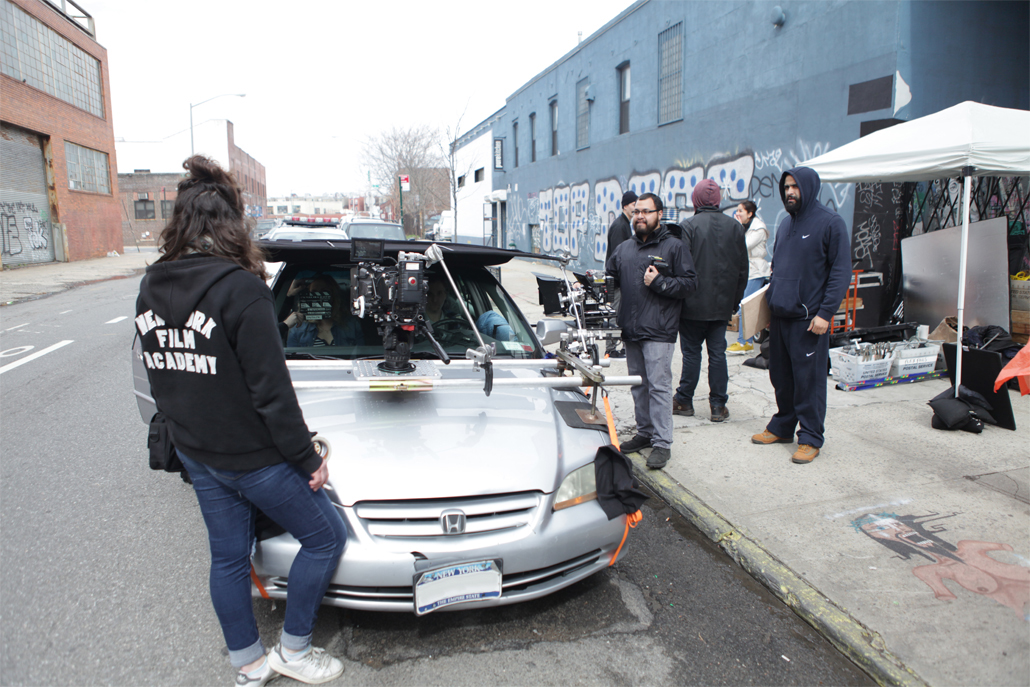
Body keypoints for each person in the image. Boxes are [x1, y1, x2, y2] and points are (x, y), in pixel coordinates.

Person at [135, 156, 347, 686]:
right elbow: (272, 394)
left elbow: (163, 378)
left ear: (179, 223)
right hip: (256, 461)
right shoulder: (243, 290)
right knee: (326, 538)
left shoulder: (150, 286)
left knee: (227, 559)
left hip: (200, 456)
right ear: (232, 225)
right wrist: (308, 460)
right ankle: (293, 651)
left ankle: (248, 666)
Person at [752, 166, 851, 464]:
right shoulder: (784, 225)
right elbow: (777, 270)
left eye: (795, 187)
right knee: (780, 378)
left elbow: (840, 272)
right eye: (786, 188)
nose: (790, 192)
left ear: (808, 187)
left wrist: (825, 313)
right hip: (781, 318)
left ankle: (810, 437)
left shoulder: (830, 223)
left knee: (809, 382)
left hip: (809, 321)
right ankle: (783, 426)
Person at [606, 192, 697, 470]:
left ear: (659, 214)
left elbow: (690, 284)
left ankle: (662, 443)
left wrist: (660, 283)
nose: (640, 217)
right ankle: (644, 433)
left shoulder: (674, 247)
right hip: (631, 328)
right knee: (638, 386)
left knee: (659, 387)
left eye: (646, 211)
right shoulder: (624, 248)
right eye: (636, 212)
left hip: (659, 329)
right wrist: (592, 284)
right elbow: (610, 277)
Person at [672, 179, 748, 422]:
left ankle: (684, 400)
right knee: (718, 354)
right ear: (717, 201)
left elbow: (681, 267)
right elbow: (742, 270)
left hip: (692, 305)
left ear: (696, 199)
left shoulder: (688, 226)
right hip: (721, 305)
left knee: (692, 354)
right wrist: (733, 302)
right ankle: (717, 405)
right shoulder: (735, 227)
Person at [727, 200, 770, 353]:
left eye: (740, 211)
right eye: (737, 210)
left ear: (750, 213)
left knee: (746, 306)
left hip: (756, 271)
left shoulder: (758, 229)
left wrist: (737, 227)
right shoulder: (746, 227)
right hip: (747, 271)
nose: (737, 213)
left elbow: (743, 246)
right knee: (745, 305)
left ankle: (744, 342)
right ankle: (746, 341)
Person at [283, 275, 363, 347]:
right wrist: (289, 294)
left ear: (333, 295)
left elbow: (361, 353)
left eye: (324, 291)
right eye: (314, 292)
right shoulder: (298, 328)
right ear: (308, 296)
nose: (319, 296)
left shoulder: (352, 324)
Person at [604, 190, 638, 358]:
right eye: (633, 205)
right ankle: (610, 349)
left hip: (620, 280)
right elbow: (619, 256)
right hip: (617, 281)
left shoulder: (625, 224)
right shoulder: (620, 226)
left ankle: (621, 347)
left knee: (620, 314)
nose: (636, 208)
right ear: (625, 206)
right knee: (614, 314)